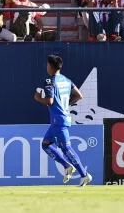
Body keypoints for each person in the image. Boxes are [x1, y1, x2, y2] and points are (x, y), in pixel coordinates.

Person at [34, 55, 93, 187]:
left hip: (57, 119)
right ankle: (67, 166)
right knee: (45, 144)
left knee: (66, 148)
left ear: (50, 66)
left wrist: (37, 97)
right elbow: (79, 95)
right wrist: (66, 106)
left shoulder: (50, 81)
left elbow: (49, 101)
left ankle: (84, 175)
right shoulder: (67, 81)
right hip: (64, 117)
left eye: (47, 65)